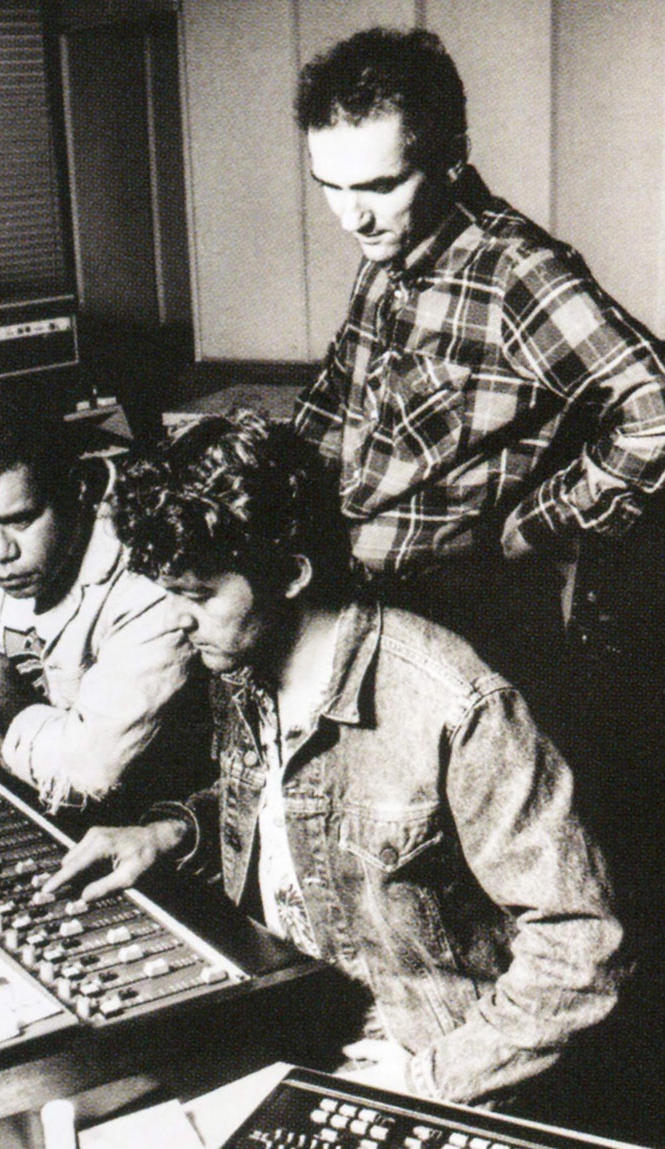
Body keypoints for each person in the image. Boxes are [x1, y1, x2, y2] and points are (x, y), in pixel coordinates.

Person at [44, 409, 624, 1108]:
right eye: (168, 592)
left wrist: (424, 1081)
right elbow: (291, 809)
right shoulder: (242, 665)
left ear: (290, 573)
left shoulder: (454, 704)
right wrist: (167, 834)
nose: (176, 618)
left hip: (431, 1067)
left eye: (197, 594)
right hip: (298, 1029)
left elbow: (583, 945)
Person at [291, 26, 665, 721]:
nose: (351, 216)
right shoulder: (386, 252)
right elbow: (331, 404)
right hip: (353, 602)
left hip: (459, 629)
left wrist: (534, 524)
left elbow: (657, 411)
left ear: (452, 158)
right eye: (329, 186)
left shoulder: (517, 273)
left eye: (379, 185)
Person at [0, 392, 203, 824]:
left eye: (22, 521)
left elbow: (89, 776)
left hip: (132, 827)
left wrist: (0, 696)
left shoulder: (147, 582)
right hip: (26, 796)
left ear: (77, 488)